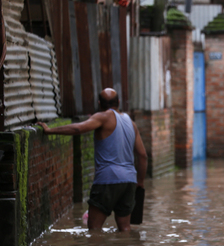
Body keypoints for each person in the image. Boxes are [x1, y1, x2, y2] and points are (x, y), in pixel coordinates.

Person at [37, 88, 148, 232]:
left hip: (107, 179)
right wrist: (140, 182)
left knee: (94, 229)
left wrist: (50, 130)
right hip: (129, 181)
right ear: (119, 102)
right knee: (125, 228)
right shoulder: (131, 123)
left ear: (99, 104)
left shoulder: (103, 117)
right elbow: (143, 155)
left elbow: (78, 129)